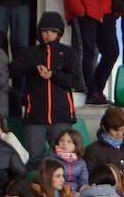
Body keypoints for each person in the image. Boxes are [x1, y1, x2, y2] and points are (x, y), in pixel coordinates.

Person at [11, 11, 81, 165]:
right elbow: (12, 70)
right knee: (33, 158)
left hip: (61, 116)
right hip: (35, 116)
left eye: (53, 31)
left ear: (60, 34)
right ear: (39, 32)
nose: (48, 35)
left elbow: (75, 81)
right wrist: (34, 68)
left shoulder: (68, 53)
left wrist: (53, 74)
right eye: (45, 31)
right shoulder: (31, 52)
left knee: (62, 159)